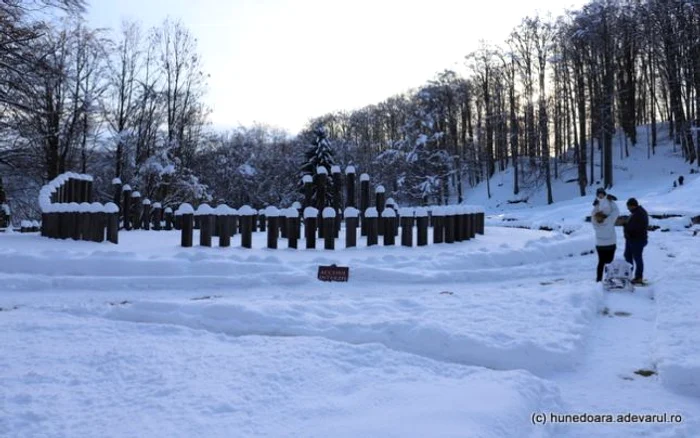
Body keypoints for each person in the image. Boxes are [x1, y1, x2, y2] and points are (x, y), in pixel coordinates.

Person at [591, 188, 620, 282]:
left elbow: (593, 215)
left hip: (600, 244)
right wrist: (611, 201)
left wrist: (597, 206)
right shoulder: (610, 220)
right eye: (598, 194)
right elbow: (616, 211)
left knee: (601, 262)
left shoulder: (595, 223)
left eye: (601, 194)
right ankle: (609, 278)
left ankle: (599, 279)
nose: (600, 196)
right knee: (609, 262)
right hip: (611, 243)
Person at [623, 198, 649, 284]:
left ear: (632, 206)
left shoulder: (640, 214)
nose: (628, 209)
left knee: (637, 258)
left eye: (628, 207)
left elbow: (637, 228)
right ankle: (628, 274)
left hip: (637, 240)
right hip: (631, 239)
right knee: (628, 256)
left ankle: (639, 277)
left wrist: (627, 228)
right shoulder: (635, 213)